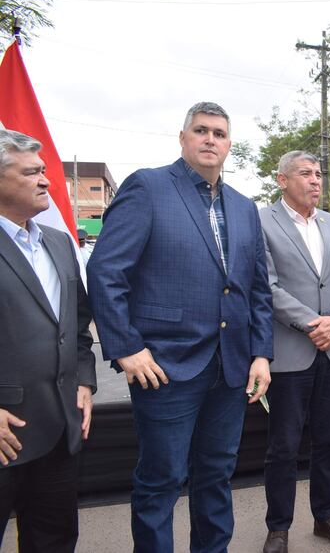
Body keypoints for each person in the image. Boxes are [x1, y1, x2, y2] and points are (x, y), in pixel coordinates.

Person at [87, 102, 273, 552]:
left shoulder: (245, 207)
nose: (211, 139)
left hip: (231, 368)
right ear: (183, 138)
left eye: (220, 133)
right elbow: (106, 272)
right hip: (164, 366)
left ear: (229, 145)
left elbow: (257, 288)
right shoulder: (148, 187)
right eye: (202, 131)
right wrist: (126, 347)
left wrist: (262, 352)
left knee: (216, 474)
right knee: (161, 479)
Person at [0, 129, 97, 552]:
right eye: (32, 173)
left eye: (44, 171)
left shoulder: (57, 242)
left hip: (59, 429)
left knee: (53, 541)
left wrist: (84, 382)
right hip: (6, 434)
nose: (46, 181)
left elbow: (76, 326)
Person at [259, 151, 330, 553]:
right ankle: (278, 528)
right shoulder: (262, 220)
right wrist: (313, 323)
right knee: (283, 446)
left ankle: (326, 516)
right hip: (289, 350)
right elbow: (265, 286)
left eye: (318, 173)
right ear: (282, 180)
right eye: (305, 173)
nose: (315, 180)